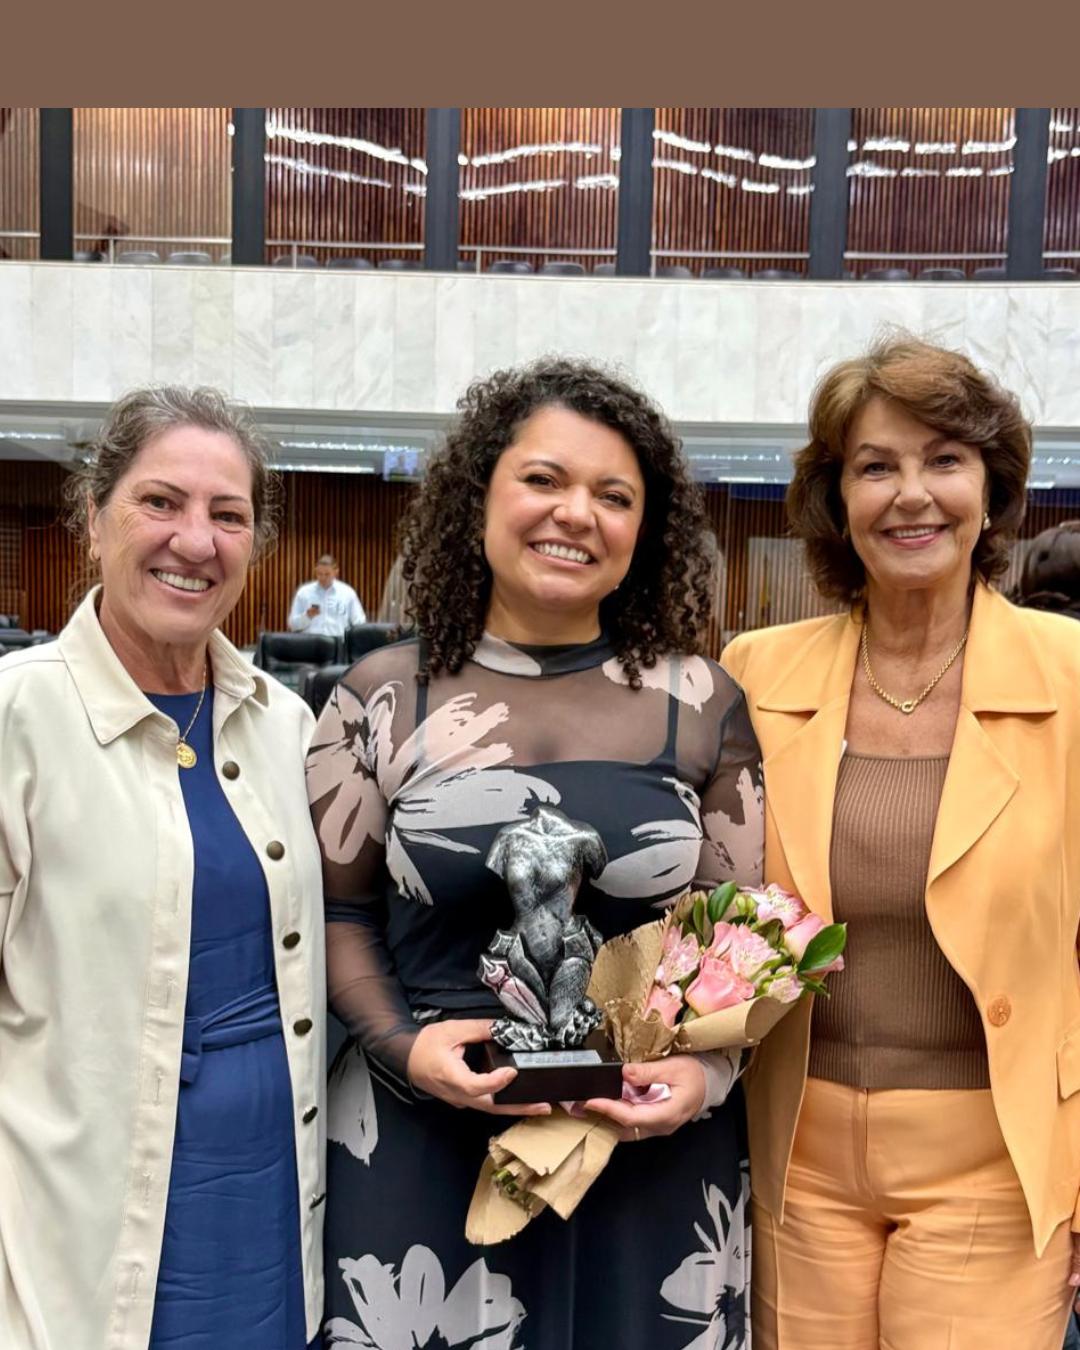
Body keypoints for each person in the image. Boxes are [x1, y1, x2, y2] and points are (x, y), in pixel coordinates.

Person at [307, 358, 765, 1349]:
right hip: (423, 1133)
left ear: (645, 531)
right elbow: (338, 916)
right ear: (481, 496)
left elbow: (736, 931)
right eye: (544, 480)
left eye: (614, 495)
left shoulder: (704, 701)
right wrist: (400, 1045)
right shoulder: (378, 699)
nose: (576, 513)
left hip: (646, 1146)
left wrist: (705, 1080)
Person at [722, 337, 1080, 1349]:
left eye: (945, 460)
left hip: (1000, 1163)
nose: (911, 494)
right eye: (876, 465)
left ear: (993, 488)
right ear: (837, 499)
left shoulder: (1073, 675)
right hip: (797, 1155)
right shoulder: (753, 670)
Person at [0, 387, 326, 1350]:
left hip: (273, 1198)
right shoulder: (17, 720)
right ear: (93, 516)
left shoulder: (289, 725)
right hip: (85, 1233)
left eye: (228, 515)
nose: (197, 540)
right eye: (160, 502)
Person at [288, 555, 365, 636]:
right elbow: (293, 625)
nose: (323, 577)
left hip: (338, 644)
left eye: (327, 574)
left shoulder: (348, 593)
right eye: (319, 574)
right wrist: (307, 616)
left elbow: (359, 622)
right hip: (311, 643)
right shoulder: (304, 593)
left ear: (336, 572)